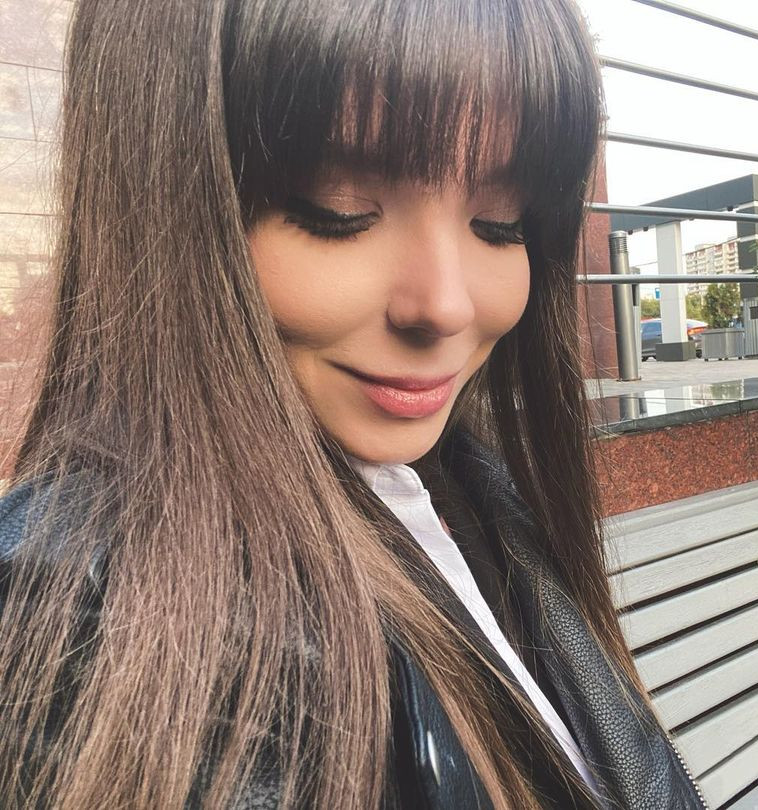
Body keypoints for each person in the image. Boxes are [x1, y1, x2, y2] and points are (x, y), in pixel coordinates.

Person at [0, 0, 704, 807]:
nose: (445, 305)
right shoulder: (89, 610)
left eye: (500, 223)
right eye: (337, 213)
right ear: (163, 201)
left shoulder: (459, 488)